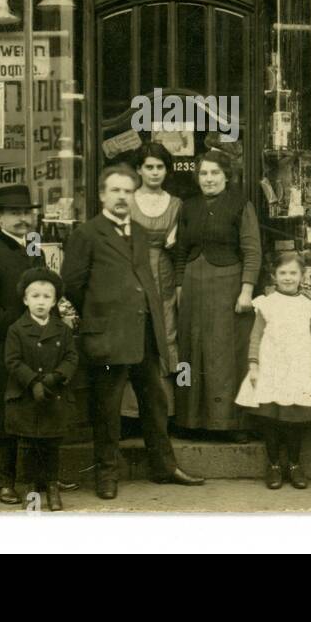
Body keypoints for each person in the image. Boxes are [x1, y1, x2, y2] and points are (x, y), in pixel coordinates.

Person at [61, 164, 204, 499]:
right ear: (102, 195)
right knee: (107, 410)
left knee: (155, 404)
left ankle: (164, 467)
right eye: (116, 191)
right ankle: (107, 475)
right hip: (108, 335)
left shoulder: (139, 232)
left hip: (145, 334)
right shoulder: (87, 233)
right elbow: (72, 284)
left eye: (128, 191)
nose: (122, 197)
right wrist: (101, 315)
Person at [0, 184, 77, 505]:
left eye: (26, 213)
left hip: (40, 347)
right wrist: (13, 328)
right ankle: (3, 482)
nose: (22, 219)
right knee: (4, 413)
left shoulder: (33, 250)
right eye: (14, 214)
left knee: (34, 411)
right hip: (6, 349)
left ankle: (38, 479)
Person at [174, 149, 261, 435]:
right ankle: (191, 421)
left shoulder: (240, 204)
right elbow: (180, 250)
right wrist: (178, 286)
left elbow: (252, 251)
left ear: (226, 176)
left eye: (214, 173)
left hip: (228, 284)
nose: (208, 179)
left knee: (224, 353)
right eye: (203, 173)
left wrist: (246, 290)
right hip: (192, 284)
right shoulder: (188, 206)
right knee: (192, 349)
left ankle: (231, 423)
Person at [235, 251, 311, 489]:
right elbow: (256, 336)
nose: (288, 278)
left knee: (295, 419)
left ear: (302, 276)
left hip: (297, 367)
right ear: (274, 276)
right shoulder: (266, 303)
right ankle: (273, 465)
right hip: (271, 366)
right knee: (271, 419)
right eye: (282, 273)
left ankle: (294, 464)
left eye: (293, 273)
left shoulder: (309, 307)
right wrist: (253, 365)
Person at [4, 268, 79, 512]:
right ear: (25, 300)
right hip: (26, 397)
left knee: (51, 446)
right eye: (35, 296)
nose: (40, 302)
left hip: (53, 395)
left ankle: (52, 488)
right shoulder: (17, 329)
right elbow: (12, 361)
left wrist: (56, 377)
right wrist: (33, 382)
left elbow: (71, 357)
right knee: (27, 445)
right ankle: (30, 489)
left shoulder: (63, 330)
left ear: (55, 301)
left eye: (47, 297)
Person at [121, 142, 182, 418]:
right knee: (136, 334)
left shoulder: (176, 204)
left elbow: (179, 243)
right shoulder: (128, 202)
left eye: (160, 167)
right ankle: (131, 411)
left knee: (166, 333)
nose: (155, 172)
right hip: (133, 272)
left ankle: (164, 409)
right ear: (139, 170)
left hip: (165, 276)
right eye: (149, 167)